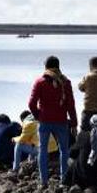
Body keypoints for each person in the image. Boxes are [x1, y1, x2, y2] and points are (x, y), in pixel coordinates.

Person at [28, 56, 77, 186]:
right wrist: (74, 123)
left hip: (44, 121)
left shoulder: (40, 82)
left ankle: (44, 181)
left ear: (46, 67)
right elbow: (70, 104)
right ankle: (64, 180)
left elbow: (31, 103)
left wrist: (38, 115)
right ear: (58, 66)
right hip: (61, 121)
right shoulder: (66, 82)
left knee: (43, 150)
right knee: (64, 151)